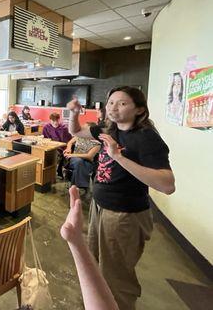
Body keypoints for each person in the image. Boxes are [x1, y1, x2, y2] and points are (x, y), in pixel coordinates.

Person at [68, 86, 175, 310]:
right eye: (110, 102)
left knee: (117, 278)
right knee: (96, 265)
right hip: (100, 207)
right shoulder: (110, 129)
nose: (113, 107)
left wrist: (118, 157)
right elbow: (76, 131)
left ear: (139, 110)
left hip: (124, 215)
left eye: (122, 103)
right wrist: (74, 112)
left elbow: (167, 185)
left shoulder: (146, 138)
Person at [60, 186, 119, 310]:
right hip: (99, 203)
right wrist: (76, 241)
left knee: (116, 278)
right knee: (95, 259)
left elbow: (167, 185)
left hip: (120, 211)